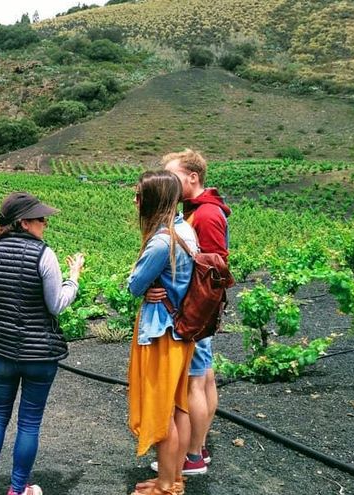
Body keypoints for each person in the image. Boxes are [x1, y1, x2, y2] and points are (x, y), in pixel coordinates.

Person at [0, 192, 85, 495]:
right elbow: (56, 304)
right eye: (41, 219)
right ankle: (18, 490)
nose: (45, 224)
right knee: (29, 423)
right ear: (24, 222)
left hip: (1, 353)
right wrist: (74, 279)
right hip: (40, 356)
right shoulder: (44, 254)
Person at [145, 150, 231, 477]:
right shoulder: (201, 210)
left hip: (193, 311)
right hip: (198, 310)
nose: (169, 182)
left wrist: (188, 307)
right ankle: (200, 447)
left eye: (174, 176)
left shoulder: (205, 215)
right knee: (204, 375)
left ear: (192, 177)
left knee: (195, 380)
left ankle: (192, 455)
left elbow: (210, 269)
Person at [127, 171, 198, 495]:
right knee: (178, 407)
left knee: (161, 411)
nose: (135, 201)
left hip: (161, 333)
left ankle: (166, 485)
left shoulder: (161, 241)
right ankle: (174, 478)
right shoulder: (185, 230)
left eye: (139, 195)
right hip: (182, 331)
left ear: (153, 200)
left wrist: (142, 285)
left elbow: (134, 286)